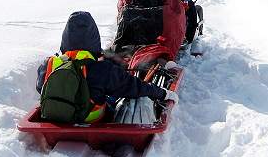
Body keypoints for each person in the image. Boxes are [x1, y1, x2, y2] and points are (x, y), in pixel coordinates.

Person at [36, 11, 178, 122]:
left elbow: (41, 88)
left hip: (53, 118)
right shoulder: (101, 69)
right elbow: (135, 87)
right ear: (93, 39)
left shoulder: (48, 64)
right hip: (92, 120)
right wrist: (163, 93)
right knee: (113, 96)